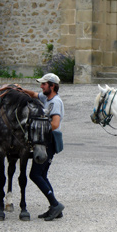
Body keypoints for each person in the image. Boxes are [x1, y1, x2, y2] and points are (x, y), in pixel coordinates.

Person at [22, 73, 65, 221]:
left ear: (52, 86)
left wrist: (36, 126)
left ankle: (55, 204)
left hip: (48, 142)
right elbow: (34, 94)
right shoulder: (46, 98)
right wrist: (21, 89)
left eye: (44, 84)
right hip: (45, 141)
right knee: (42, 175)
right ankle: (54, 208)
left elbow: (55, 124)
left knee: (35, 174)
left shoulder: (56, 102)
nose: (41, 86)